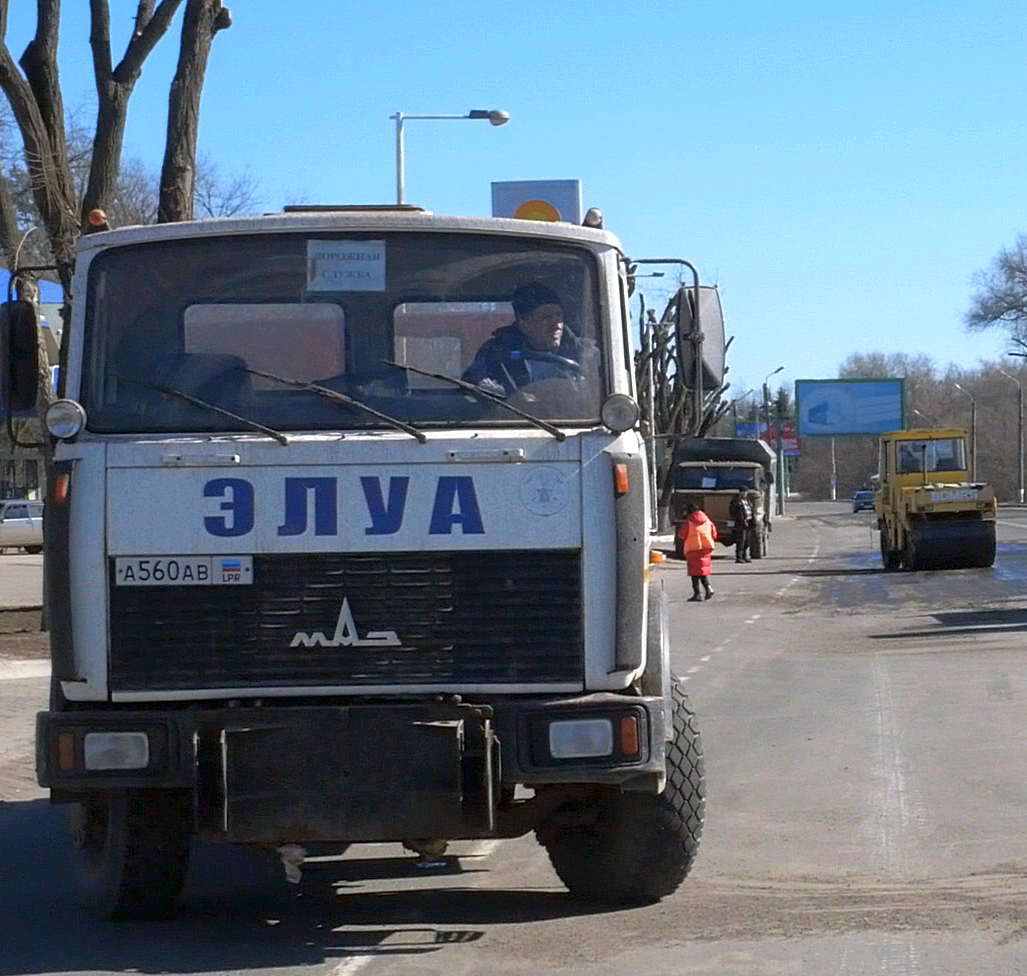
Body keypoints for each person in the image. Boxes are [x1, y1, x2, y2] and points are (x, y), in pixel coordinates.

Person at [462, 282, 586, 396]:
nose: (556, 325)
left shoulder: (583, 350)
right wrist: (498, 391)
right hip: (517, 417)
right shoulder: (499, 352)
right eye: (545, 317)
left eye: (559, 315)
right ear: (523, 322)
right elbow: (474, 378)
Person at [678, 503, 718, 601]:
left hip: (693, 549)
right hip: (706, 548)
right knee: (702, 570)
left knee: (694, 573)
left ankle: (697, 594)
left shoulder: (689, 522)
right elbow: (714, 534)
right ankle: (708, 588)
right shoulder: (708, 521)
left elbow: (682, 535)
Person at [729, 486, 754, 563]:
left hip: (748, 523)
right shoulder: (736, 501)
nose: (745, 493)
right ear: (740, 492)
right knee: (741, 541)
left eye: (746, 492)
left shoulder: (747, 500)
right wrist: (740, 519)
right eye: (743, 492)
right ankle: (739, 557)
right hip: (740, 524)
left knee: (747, 541)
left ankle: (745, 555)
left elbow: (750, 510)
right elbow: (732, 512)